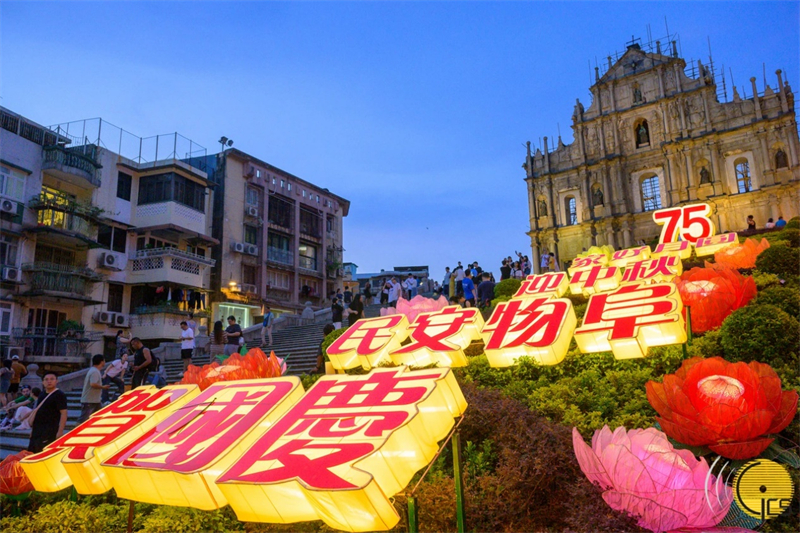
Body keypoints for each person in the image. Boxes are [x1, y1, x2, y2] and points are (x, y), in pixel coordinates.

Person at [27, 373, 67, 453]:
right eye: (46, 379)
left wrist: (60, 431)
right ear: (43, 382)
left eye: (52, 379)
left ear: (56, 381)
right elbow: (37, 411)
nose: (49, 381)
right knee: (32, 452)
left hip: (50, 430)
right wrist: (33, 430)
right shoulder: (42, 394)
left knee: (43, 453)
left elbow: (64, 413)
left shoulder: (59, 395)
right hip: (37, 430)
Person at [78, 354, 109, 424]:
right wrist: (103, 387)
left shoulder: (94, 371)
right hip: (89, 401)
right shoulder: (94, 371)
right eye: (104, 361)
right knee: (83, 419)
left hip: (95, 400)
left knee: (98, 418)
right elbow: (93, 384)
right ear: (101, 362)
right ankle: (75, 432)